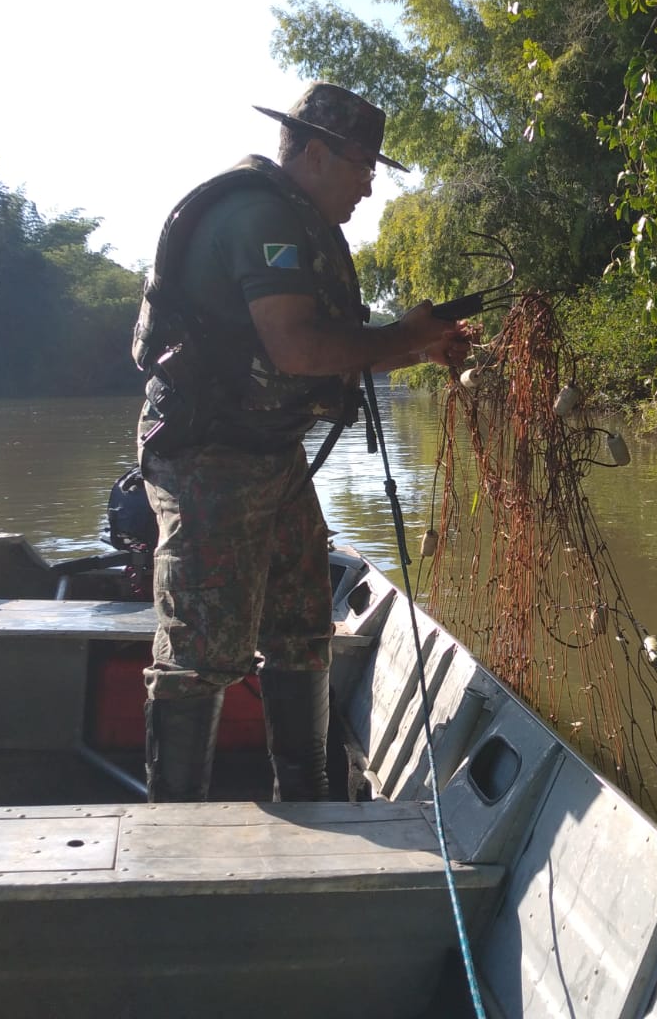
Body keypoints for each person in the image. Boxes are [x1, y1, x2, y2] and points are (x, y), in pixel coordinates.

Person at [132, 81, 469, 803]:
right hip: (207, 456)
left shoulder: (298, 220)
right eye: (362, 166)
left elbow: (324, 351)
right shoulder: (261, 218)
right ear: (315, 154)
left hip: (271, 454)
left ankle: (311, 795)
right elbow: (296, 348)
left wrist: (419, 348)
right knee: (201, 647)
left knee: (301, 625)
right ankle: (173, 825)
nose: (369, 186)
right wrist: (402, 335)